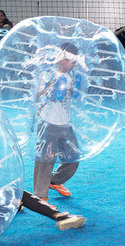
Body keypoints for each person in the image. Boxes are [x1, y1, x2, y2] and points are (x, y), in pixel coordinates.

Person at [32, 42, 81, 208]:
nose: (74, 65)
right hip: (48, 123)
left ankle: (54, 180)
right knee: (46, 159)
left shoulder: (69, 75)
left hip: (65, 124)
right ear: (62, 59)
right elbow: (35, 96)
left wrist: (74, 89)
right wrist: (50, 88)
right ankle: (40, 196)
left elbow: (68, 98)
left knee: (73, 157)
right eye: (72, 62)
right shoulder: (47, 74)